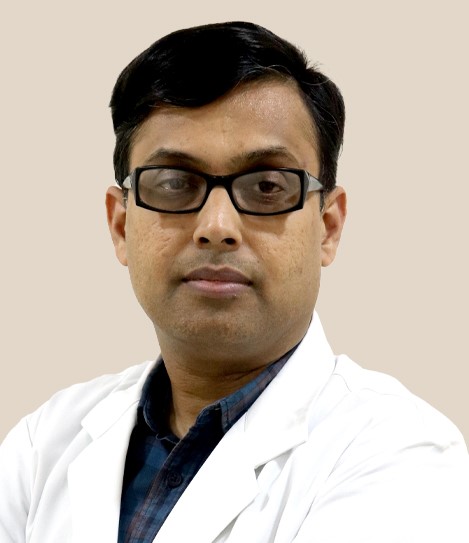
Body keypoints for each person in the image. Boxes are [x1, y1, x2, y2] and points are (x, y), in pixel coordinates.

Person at [0, 21, 468, 543]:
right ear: (120, 225)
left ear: (328, 228)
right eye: (174, 183)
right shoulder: (45, 442)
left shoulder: (402, 454)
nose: (217, 226)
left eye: (267, 185)